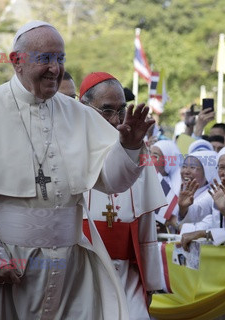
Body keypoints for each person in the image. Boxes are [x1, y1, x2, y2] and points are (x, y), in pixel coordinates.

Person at [0, 21, 155, 320]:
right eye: (45, 59)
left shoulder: (78, 114)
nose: (56, 69)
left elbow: (111, 182)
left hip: (70, 270)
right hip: (5, 266)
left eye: (60, 58)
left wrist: (129, 148)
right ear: (17, 61)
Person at [79, 71, 167, 319]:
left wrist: (150, 283)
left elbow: (146, 227)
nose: (117, 119)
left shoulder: (140, 151)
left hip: (125, 274)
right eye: (107, 110)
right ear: (84, 108)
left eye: (122, 110)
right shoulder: (71, 148)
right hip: (82, 270)